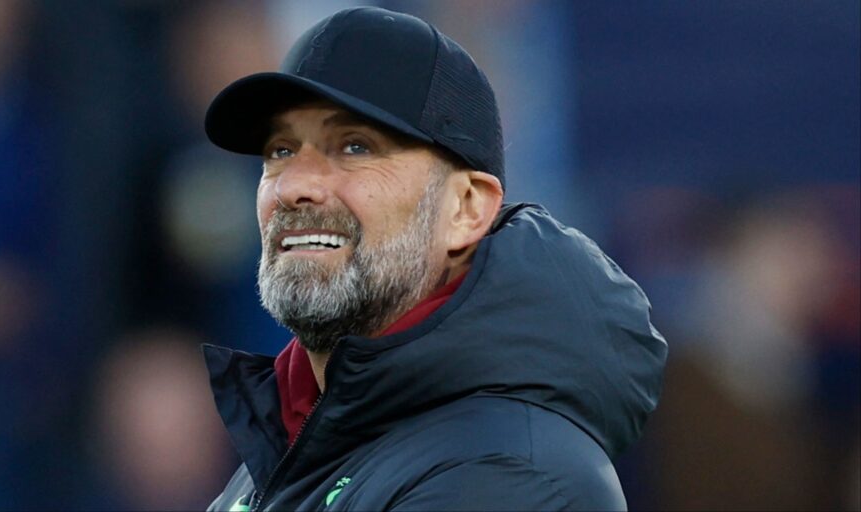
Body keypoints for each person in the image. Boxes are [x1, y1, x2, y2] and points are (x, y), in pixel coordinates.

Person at [200, 7, 667, 511]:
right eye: (281, 150)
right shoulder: (275, 460)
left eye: (355, 146)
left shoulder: (507, 473)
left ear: (465, 208)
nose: (294, 187)